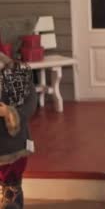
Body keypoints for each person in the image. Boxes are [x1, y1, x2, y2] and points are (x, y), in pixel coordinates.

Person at [0, 52, 36, 209]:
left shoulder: (15, 72)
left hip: (11, 144)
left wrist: (9, 112)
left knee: (11, 185)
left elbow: (30, 103)